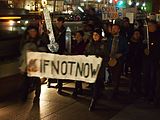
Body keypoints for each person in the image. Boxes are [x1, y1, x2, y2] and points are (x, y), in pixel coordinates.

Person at [84, 28, 108, 111]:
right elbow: (86, 52)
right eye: (94, 35)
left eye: (97, 35)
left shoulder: (103, 44)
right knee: (93, 84)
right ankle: (96, 95)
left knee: (96, 83)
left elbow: (105, 55)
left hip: (99, 67)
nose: (95, 37)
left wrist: (98, 57)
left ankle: (94, 100)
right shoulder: (90, 44)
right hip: (91, 67)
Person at [19, 25, 42, 103]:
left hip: (35, 65)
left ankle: (36, 97)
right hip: (28, 66)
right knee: (26, 82)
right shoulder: (26, 42)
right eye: (31, 31)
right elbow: (24, 56)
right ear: (28, 32)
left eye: (34, 31)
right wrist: (22, 66)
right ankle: (24, 97)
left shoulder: (38, 41)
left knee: (36, 81)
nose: (33, 33)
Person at [107, 24, 128, 99]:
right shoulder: (110, 38)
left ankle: (114, 91)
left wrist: (121, 55)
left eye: (115, 29)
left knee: (116, 76)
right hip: (110, 59)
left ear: (119, 30)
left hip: (119, 60)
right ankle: (112, 89)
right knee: (111, 75)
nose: (113, 30)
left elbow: (126, 50)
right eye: (112, 28)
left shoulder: (123, 39)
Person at [47, 16, 66, 93]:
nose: (58, 23)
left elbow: (65, 41)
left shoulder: (64, 30)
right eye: (57, 22)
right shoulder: (52, 30)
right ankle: (49, 81)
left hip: (60, 51)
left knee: (59, 68)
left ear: (62, 23)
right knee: (51, 67)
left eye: (59, 22)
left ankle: (59, 84)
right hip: (52, 51)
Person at [143, 20, 160, 104]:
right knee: (147, 76)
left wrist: (152, 51)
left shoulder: (158, 35)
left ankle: (153, 95)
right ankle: (147, 93)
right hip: (147, 60)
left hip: (155, 60)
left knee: (153, 78)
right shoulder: (146, 36)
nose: (148, 28)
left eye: (150, 26)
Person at [128, 29, 144, 96]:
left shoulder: (142, 43)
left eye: (138, 34)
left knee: (138, 76)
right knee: (132, 76)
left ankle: (138, 90)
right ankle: (131, 89)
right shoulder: (130, 43)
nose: (137, 35)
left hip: (139, 62)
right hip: (132, 61)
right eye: (135, 34)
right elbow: (129, 53)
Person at [71, 30, 87, 97]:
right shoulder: (74, 43)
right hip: (75, 60)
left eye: (79, 35)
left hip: (81, 61)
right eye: (76, 35)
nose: (77, 37)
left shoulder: (84, 44)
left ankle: (76, 90)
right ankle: (79, 89)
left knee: (78, 75)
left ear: (82, 37)